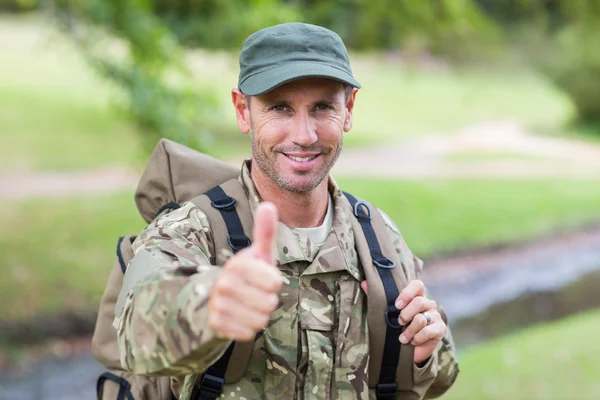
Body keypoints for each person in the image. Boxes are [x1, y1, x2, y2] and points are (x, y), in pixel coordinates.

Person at [114, 22, 459, 399]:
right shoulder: (190, 229)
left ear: (349, 109)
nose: (304, 135)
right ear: (243, 110)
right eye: (280, 108)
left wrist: (425, 352)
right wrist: (210, 303)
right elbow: (135, 332)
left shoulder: (377, 236)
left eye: (322, 107)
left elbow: (437, 375)